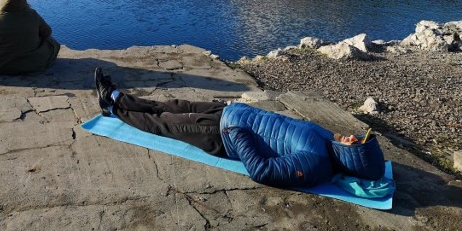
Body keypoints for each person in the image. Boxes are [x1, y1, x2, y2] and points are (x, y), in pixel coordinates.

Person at [94, 68, 386, 189]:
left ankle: (111, 106)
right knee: (170, 103)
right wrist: (240, 113)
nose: (353, 136)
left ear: (353, 159)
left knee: (162, 123)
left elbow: (262, 171)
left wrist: (237, 132)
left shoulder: (316, 164)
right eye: (360, 136)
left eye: (357, 143)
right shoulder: (327, 140)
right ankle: (119, 96)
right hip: (233, 113)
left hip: (222, 134)